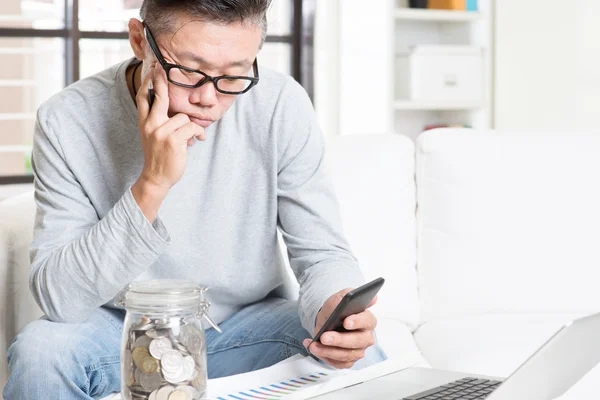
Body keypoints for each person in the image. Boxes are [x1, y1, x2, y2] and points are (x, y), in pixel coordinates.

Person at [3, 0, 386, 398]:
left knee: (362, 358)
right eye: (188, 71)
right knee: (41, 353)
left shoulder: (280, 104)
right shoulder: (66, 119)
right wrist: (152, 183)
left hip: (247, 329)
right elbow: (60, 298)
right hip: (121, 330)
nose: (210, 99)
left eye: (235, 75)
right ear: (139, 40)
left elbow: (323, 253)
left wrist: (334, 305)